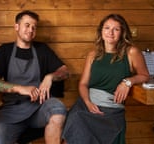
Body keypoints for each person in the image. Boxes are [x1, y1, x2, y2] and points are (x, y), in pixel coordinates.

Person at [62, 14, 149, 144]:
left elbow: (144, 75)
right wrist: (87, 102)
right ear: (101, 31)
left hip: (111, 111)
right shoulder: (93, 55)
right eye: (107, 28)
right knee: (76, 121)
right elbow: (83, 84)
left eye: (116, 29)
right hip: (86, 106)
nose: (110, 33)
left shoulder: (131, 52)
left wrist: (128, 82)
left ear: (122, 33)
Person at [0, 10, 69, 144]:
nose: (31, 30)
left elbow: (64, 71)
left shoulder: (42, 49)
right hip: (11, 111)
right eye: (27, 25)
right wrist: (19, 88)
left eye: (34, 27)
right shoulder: (4, 51)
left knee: (58, 109)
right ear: (16, 27)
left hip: (39, 107)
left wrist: (50, 77)